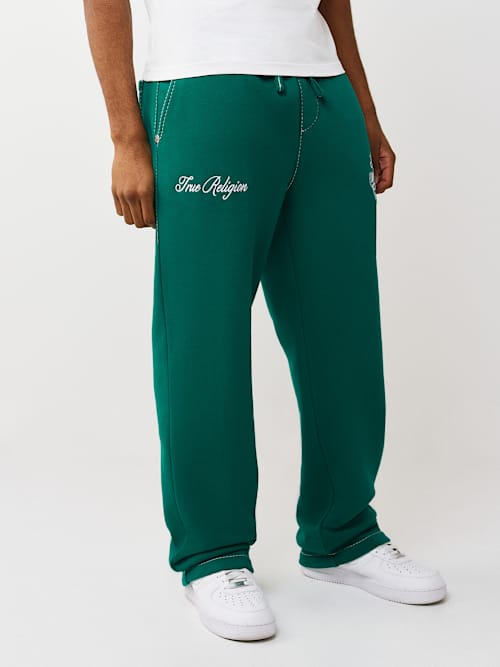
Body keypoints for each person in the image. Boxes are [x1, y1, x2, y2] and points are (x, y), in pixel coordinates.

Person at [83, 0, 447, 642]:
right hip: (203, 92)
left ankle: (343, 532)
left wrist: (364, 110)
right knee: (205, 336)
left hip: (323, 94)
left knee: (343, 329)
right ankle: (212, 553)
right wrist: (126, 137)